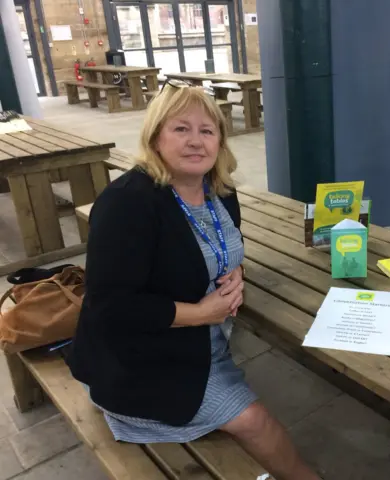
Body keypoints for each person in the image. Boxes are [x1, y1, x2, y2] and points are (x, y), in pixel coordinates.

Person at [66, 82, 320, 480]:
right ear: (155, 137)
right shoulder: (127, 203)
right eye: (181, 128)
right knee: (256, 421)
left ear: (220, 139)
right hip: (140, 358)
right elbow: (110, 308)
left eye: (208, 130)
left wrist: (235, 270)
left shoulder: (219, 190)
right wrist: (202, 313)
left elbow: (222, 243)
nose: (196, 141)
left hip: (202, 337)